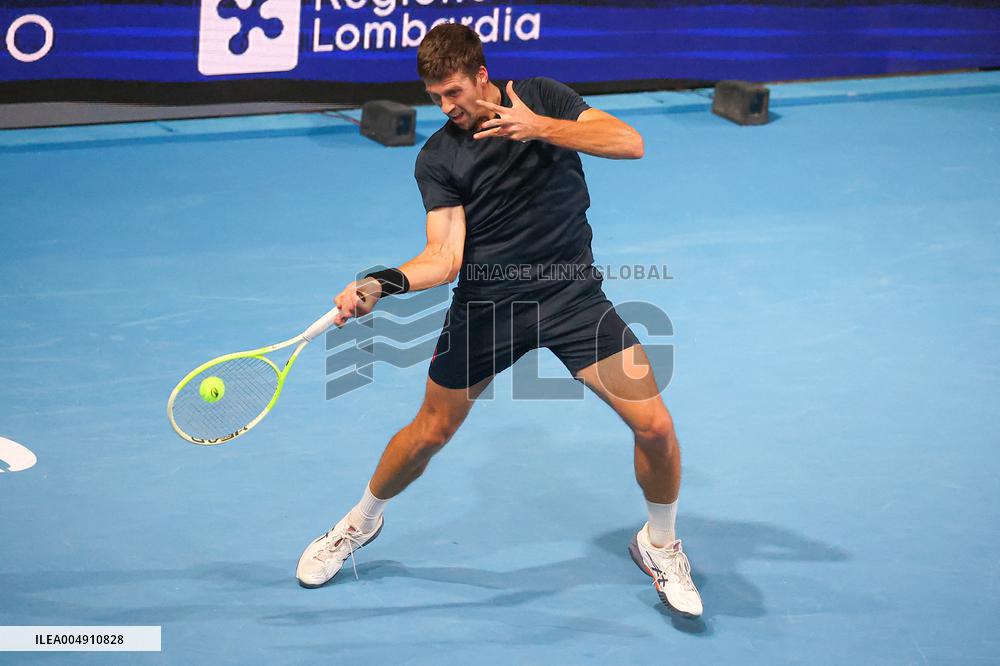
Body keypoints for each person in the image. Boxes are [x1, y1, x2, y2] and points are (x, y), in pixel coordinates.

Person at [296, 23, 702, 618]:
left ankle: (660, 544)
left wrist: (538, 127)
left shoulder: (542, 96)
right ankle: (359, 523)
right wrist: (381, 283)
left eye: (454, 91)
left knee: (656, 428)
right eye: (435, 96)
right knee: (429, 432)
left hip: (572, 300)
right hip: (487, 308)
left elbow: (628, 141)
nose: (446, 106)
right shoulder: (439, 157)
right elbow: (443, 257)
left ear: (481, 75)